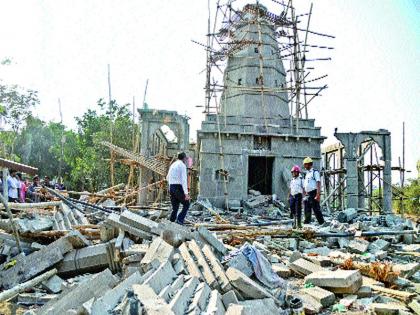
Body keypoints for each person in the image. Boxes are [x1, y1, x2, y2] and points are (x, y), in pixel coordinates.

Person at [166, 152, 190, 225]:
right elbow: (184, 180)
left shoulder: (173, 164)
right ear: (183, 158)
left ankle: (171, 222)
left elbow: (167, 177)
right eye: (186, 158)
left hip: (171, 186)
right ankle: (179, 220)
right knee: (186, 204)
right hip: (178, 187)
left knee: (175, 207)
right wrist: (186, 194)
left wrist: (171, 184)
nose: (186, 159)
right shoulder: (182, 165)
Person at [302, 157, 325, 225]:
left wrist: (318, 194)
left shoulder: (315, 172)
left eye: (306, 164)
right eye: (304, 164)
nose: (304, 166)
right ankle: (307, 221)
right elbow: (307, 183)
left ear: (309, 164)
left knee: (316, 208)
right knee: (307, 207)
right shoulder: (307, 173)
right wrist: (305, 192)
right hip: (308, 193)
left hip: (314, 192)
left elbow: (318, 183)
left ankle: (321, 222)